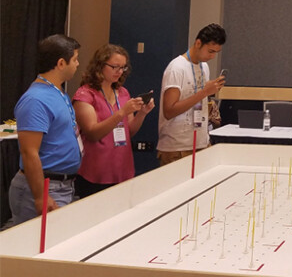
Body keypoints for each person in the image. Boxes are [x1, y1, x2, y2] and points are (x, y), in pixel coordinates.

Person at [8, 35, 82, 225]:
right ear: (60, 63)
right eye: (74, 59)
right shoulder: (36, 100)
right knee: (31, 251)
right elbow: (29, 152)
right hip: (44, 188)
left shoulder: (58, 92)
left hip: (62, 185)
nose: (77, 64)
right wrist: (40, 196)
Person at [72, 44, 155, 198]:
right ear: (100, 66)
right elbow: (92, 133)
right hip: (95, 172)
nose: (119, 72)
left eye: (123, 68)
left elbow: (128, 131)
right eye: (115, 67)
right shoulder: (85, 94)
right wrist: (122, 112)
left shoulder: (122, 92)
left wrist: (142, 114)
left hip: (122, 169)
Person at [157, 24, 227, 166]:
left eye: (216, 53)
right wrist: (204, 92)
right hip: (177, 148)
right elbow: (169, 111)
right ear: (198, 43)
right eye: (210, 51)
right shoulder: (176, 68)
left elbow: (198, 100)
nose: (212, 56)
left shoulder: (204, 67)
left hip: (201, 142)